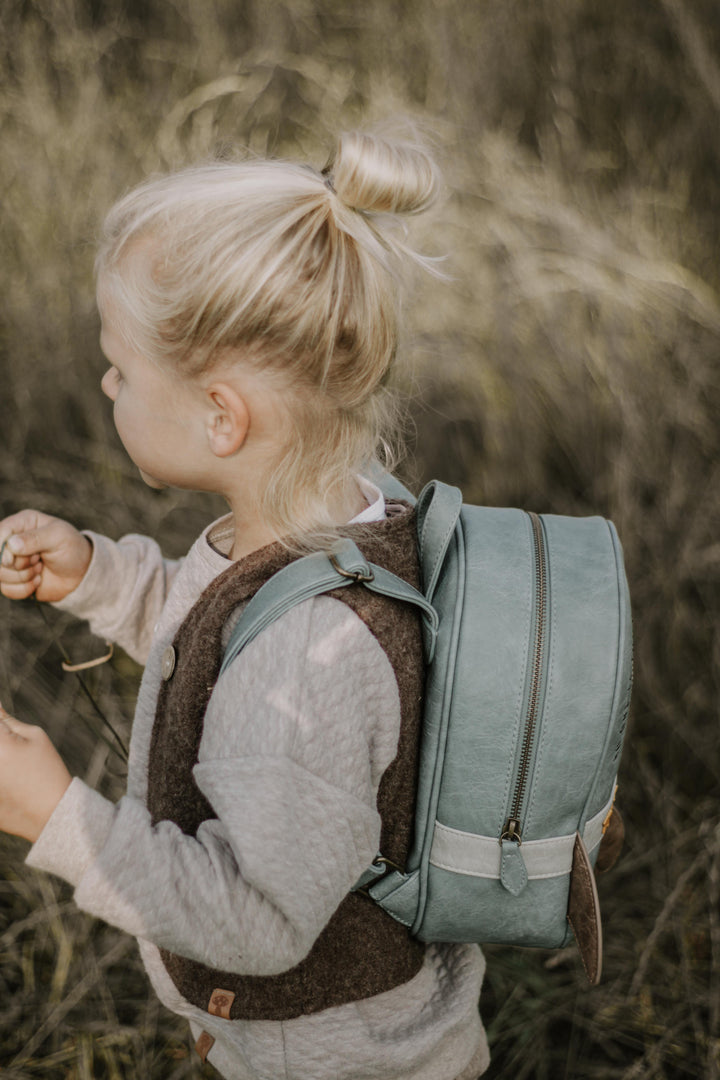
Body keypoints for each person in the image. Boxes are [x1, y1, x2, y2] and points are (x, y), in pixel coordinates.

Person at [0, 131, 489, 1080]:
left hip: (336, 1062)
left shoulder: (312, 662)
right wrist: (101, 577)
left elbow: (260, 921)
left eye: (121, 368)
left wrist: (54, 813)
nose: (107, 384)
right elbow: (222, 638)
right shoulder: (342, 508)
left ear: (223, 415)